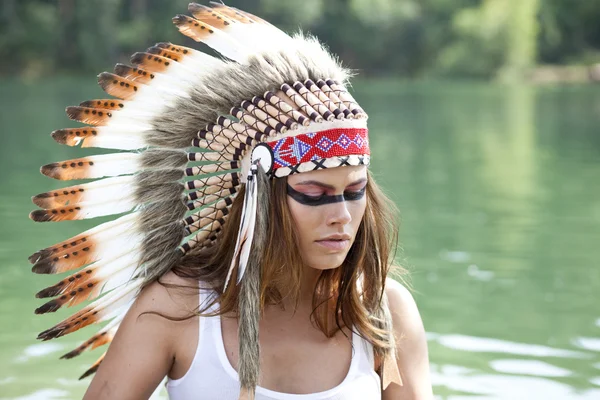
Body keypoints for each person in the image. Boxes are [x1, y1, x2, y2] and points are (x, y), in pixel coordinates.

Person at [28, 3, 432, 399]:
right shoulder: (177, 307)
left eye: (355, 190)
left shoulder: (383, 311)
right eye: (314, 194)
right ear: (257, 198)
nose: (342, 216)